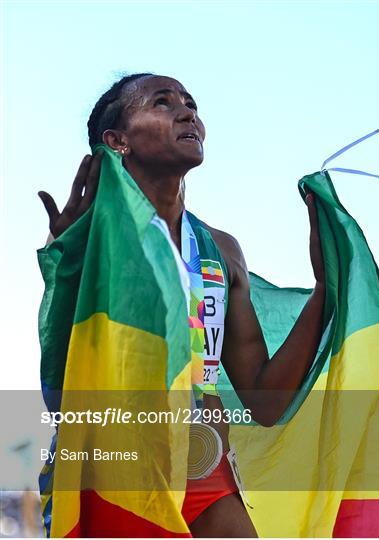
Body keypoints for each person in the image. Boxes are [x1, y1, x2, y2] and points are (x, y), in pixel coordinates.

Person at [38, 73, 325, 538]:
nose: (187, 112)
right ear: (117, 141)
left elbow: (264, 398)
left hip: (204, 469)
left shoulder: (221, 250)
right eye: (162, 102)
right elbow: (63, 372)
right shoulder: (89, 237)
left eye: (190, 104)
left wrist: (324, 286)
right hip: (114, 469)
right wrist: (66, 264)